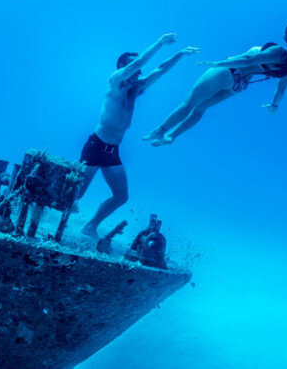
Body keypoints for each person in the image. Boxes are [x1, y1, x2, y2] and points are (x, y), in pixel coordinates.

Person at [78, 33, 200, 237]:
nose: (139, 68)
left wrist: (180, 54)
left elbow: (160, 70)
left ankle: (90, 226)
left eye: (138, 66)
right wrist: (160, 43)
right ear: (122, 67)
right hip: (96, 145)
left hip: (112, 151)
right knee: (77, 193)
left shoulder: (136, 88)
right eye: (132, 65)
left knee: (121, 196)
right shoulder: (116, 80)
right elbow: (142, 61)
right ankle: (40, 207)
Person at [144, 23, 287, 146]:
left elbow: (248, 59)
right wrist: (274, 105)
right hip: (240, 85)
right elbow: (281, 89)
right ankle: (172, 137)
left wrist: (217, 64)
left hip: (229, 72)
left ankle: (161, 131)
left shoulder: (278, 53)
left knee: (189, 103)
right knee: (200, 109)